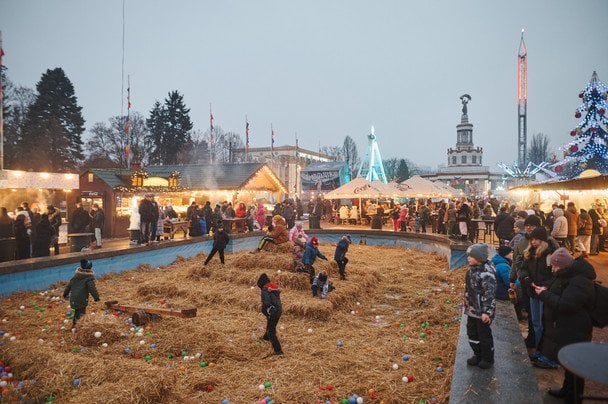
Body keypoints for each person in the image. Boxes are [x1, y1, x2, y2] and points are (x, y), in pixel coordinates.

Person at [532, 248, 596, 401]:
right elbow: (561, 291)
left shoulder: (581, 281)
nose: (552, 269)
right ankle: (567, 390)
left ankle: (574, 397)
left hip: (577, 328)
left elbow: (566, 304)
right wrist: (546, 289)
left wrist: (544, 294)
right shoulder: (568, 274)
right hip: (568, 325)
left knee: (576, 365)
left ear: (562, 265)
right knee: (569, 363)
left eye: (554, 266)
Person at [520, 226, 558, 366]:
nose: (533, 242)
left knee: (544, 323)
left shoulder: (549, 254)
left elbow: (554, 275)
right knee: (536, 322)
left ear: (542, 240)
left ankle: (543, 351)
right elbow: (523, 269)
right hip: (532, 292)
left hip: (544, 293)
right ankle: (538, 348)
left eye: (536, 239)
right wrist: (527, 280)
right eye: (532, 239)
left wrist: (544, 286)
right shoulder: (530, 253)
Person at [464, 243, 496, 369]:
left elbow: (489, 294)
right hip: (472, 309)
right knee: (472, 332)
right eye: (468, 256)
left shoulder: (487, 274)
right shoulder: (471, 270)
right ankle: (477, 354)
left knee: (484, 334)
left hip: (482, 311)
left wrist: (486, 312)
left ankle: (487, 358)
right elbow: (469, 290)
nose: (468, 258)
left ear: (480, 258)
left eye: (471, 256)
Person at [63, 259, 100, 328]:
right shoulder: (89, 278)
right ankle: (77, 326)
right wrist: (96, 297)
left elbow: (69, 286)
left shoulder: (76, 276)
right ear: (90, 268)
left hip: (73, 298)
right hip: (81, 299)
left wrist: (65, 294)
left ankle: (75, 324)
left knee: (77, 311)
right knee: (81, 313)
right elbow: (92, 288)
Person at [257, 273, 283, 355]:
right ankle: (266, 337)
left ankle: (278, 351)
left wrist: (264, 308)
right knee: (270, 323)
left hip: (273, 312)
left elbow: (266, 302)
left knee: (271, 332)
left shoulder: (265, 289)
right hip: (278, 310)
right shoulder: (273, 287)